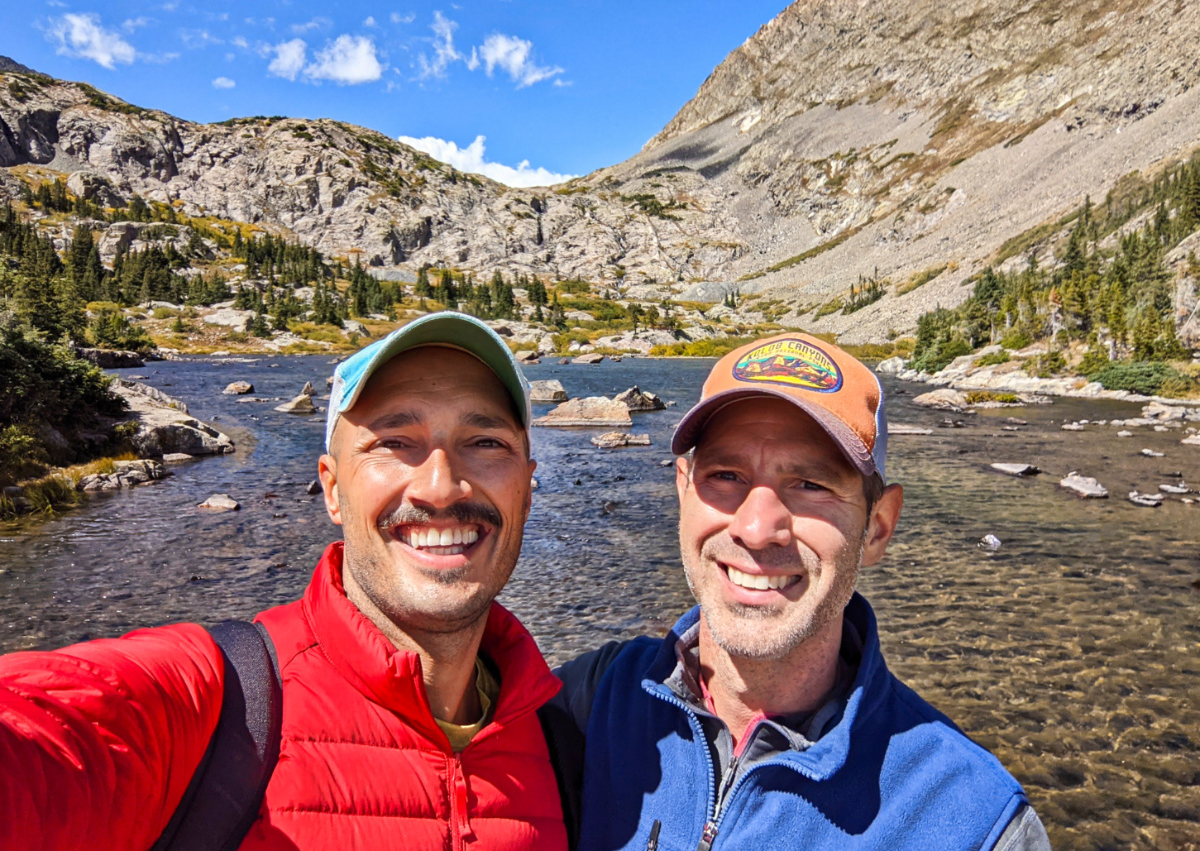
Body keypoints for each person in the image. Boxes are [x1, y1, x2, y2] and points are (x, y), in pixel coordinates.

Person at [0, 311, 567, 851]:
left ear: (527, 484)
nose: (441, 488)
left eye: (486, 443)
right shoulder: (214, 706)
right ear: (332, 489)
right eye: (394, 442)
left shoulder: (565, 736)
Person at [549, 333, 1051, 851]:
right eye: (725, 475)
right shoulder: (589, 705)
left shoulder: (974, 820)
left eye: (811, 484)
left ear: (877, 527)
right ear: (682, 489)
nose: (757, 527)